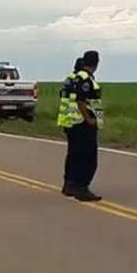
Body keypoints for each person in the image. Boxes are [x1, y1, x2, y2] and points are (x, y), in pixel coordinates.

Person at [57, 51, 104, 202]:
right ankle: (81, 187)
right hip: (82, 123)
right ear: (96, 62)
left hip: (71, 121)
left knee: (74, 155)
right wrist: (89, 119)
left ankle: (70, 184)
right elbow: (81, 100)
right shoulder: (85, 80)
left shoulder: (71, 79)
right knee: (87, 157)